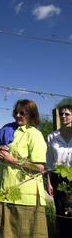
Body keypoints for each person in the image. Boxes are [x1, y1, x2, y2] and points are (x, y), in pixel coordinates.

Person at [0, 99, 48, 238]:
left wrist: (13, 160)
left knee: (21, 233)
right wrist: (0, 151)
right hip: (1, 191)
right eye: (16, 112)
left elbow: (40, 167)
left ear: (31, 115)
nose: (18, 115)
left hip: (24, 195)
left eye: (22, 113)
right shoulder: (7, 129)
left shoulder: (35, 135)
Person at [46, 100, 72, 237]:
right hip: (58, 178)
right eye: (61, 114)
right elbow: (49, 160)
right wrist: (49, 181)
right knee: (61, 213)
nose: (63, 116)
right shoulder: (52, 136)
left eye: (67, 114)